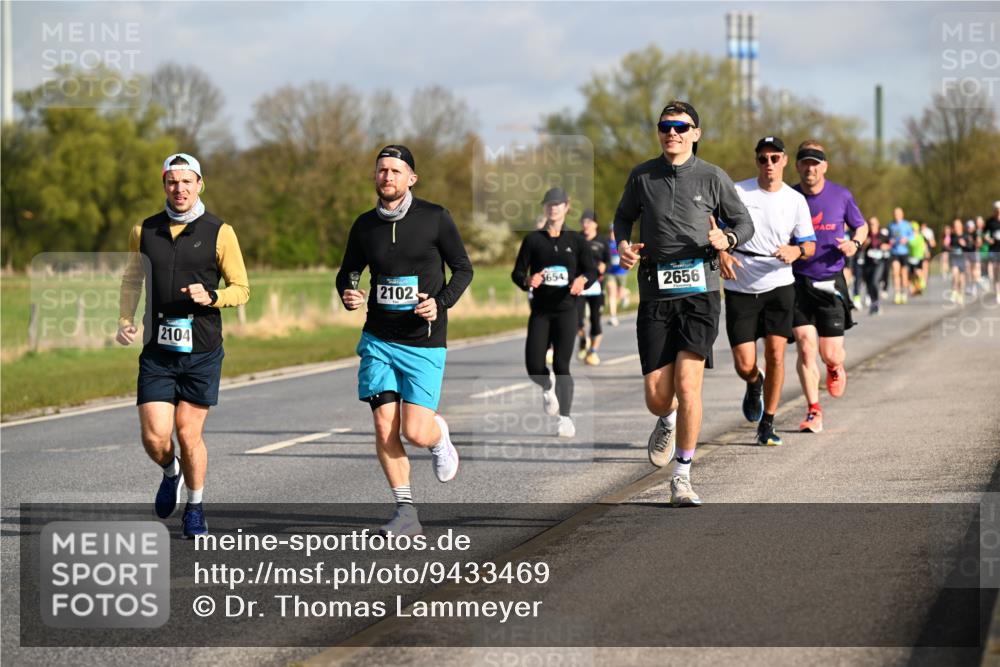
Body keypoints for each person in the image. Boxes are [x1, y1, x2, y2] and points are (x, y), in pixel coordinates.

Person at [613, 100, 754, 506]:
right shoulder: (642, 176)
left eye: (681, 126)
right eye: (665, 126)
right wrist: (623, 245)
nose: (672, 132)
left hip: (700, 292)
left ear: (696, 133)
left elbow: (745, 223)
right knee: (658, 395)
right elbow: (623, 217)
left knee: (689, 385)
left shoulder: (712, 177)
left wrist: (727, 239)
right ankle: (667, 418)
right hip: (656, 292)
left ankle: (682, 475)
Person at [337, 145, 472, 537]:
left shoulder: (435, 218)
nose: (387, 177)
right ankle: (406, 512)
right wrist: (348, 292)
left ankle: (438, 436)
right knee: (384, 427)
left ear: (411, 178)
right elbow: (349, 271)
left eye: (396, 171)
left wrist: (440, 303)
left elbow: (463, 269)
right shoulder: (364, 226)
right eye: (382, 170)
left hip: (423, 341)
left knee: (415, 431)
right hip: (378, 338)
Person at [117, 153, 250, 538]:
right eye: (172, 182)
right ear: (164, 185)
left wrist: (213, 297)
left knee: (188, 432)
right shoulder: (143, 230)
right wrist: (125, 320)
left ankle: (195, 506)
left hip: (202, 350)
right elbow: (131, 281)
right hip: (157, 349)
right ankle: (170, 471)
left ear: (200, 184)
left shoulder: (220, 231)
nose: (180, 188)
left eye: (187, 181)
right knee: (155, 436)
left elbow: (242, 289)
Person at [720, 136, 815, 446]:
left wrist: (796, 252)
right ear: (757, 161)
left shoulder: (794, 200)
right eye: (764, 158)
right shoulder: (738, 191)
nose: (770, 164)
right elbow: (714, 225)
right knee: (744, 363)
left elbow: (810, 244)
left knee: (776, 354)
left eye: (775, 158)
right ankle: (754, 382)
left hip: (779, 284)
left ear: (785, 161)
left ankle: (768, 423)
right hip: (741, 285)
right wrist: (722, 253)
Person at [791, 141, 867, 433]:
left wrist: (855, 243)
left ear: (824, 166)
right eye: (805, 163)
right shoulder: (789, 196)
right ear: (797, 166)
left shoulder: (841, 195)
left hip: (830, 280)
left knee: (830, 353)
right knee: (806, 347)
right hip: (797, 281)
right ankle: (814, 410)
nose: (810, 168)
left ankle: (835, 368)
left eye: (815, 163)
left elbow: (861, 227)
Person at [512, 187, 598, 438]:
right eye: (549, 204)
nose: (553, 208)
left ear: (566, 207)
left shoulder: (576, 240)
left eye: (558, 204)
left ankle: (565, 418)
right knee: (534, 366)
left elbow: (591, 271)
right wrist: (528, 281)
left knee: (562, 364)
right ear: (545, 208)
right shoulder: (533, 240)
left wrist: (583, 280)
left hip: (567, 310)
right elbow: (517, 273)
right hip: (540, 311)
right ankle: (547, 387)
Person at [576, 209, 610, 365]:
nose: (585, 225)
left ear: (595, 224)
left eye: (588, 221)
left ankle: (593, 351)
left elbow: (608, 261)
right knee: (577, 320)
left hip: (596, 287)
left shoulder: (602, 241)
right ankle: (583, 339)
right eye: (583, 221)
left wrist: (603, 267)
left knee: (595, 321)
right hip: (580, 287)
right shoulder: (577, 239)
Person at [861, 216, 891, 315]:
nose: (872, 226)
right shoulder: (866, 235)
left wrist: (885, 247)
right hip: (868, 262)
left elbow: (890, 244)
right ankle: (873, 304)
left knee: (875, 281)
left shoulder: (883, 234)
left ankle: (877, 303)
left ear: (878, 224)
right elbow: (860, 247)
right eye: (870, 224)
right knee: (869, 284)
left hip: (879, 262)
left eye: (874, 223)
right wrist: (865, 243)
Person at [605, 225, 631, 326]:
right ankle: (613, 317)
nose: (612, 234)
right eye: (610, 231)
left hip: (621, 272)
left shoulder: (622, 243)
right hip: (610, 272)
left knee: (619, 294)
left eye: (614, 232)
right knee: (611, 293)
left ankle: (626, 293)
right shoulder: (606, 243)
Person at [888, 207, 913, 304]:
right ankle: (897, 293)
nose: (896, 215)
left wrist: (906, 239)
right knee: (895, 272)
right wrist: (890, 241)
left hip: (904, 252)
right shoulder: (891, 225)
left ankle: (904, 293)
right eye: (895, 214)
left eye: (898, 214)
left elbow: (912, 236)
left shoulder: (906, 225)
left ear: (902, 215)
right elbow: (888, 237)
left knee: (903, 274)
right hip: (894, 252)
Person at [945, 218, 969, 304]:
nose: (956, 227)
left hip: (962, 258)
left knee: (961, 278)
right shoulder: (951, 236)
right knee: (955, 274)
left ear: (961, 226)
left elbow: (970, 247)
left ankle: (960, 294)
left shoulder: (965, 235)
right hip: (953, 257)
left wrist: (964, 244)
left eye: (958, 225)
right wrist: (949, 247)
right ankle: (954, 290)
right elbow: (946, 246)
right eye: (955, 225)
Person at [907, 221, 928, 296]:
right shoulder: (909, 237)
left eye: (914, 229)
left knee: (918, 272)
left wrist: (926, 253)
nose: (913, 231)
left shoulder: (921, 236)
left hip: (919, 257)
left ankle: (922, 283)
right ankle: (915, 288)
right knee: (911, 275)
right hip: (910, 257)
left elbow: (924, 245)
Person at [986, 201, 1000, 303]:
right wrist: (988, 239)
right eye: (997, 210)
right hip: (994, 249)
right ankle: (997, 293)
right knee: (996, 271)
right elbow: (984, 234)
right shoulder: (990, 222)